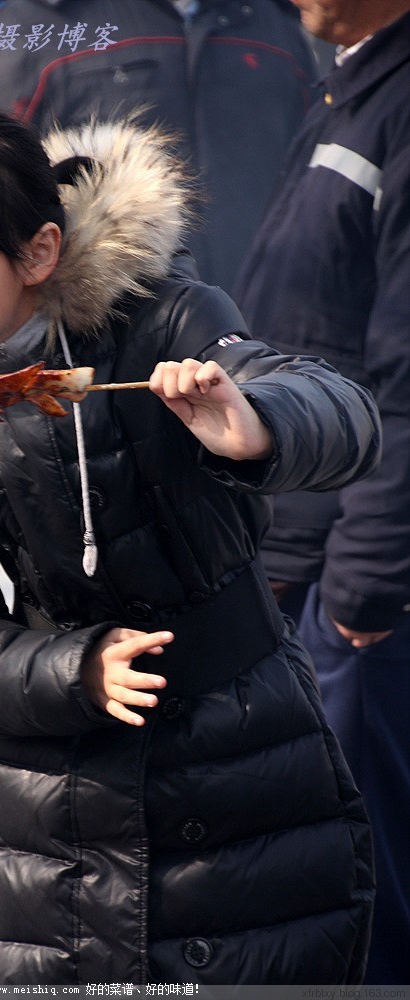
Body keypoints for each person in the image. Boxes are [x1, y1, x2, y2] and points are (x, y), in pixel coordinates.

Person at [0, 107, 381, 985]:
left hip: (243, 781)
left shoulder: (161, 321)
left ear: (37, 254)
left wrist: (253, 423)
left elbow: (345, 415)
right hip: (55, 831)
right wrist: (73, 669)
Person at [234, 0, 410, 985]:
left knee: (363, 899)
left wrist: (362, 595)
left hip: (368, 590)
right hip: (315, 554)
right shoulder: (354, 76)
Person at [0, 0, 317, 295]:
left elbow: (321, 179)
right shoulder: (43, 23)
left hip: (269, 325)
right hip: (108, 336)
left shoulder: (281, 23)